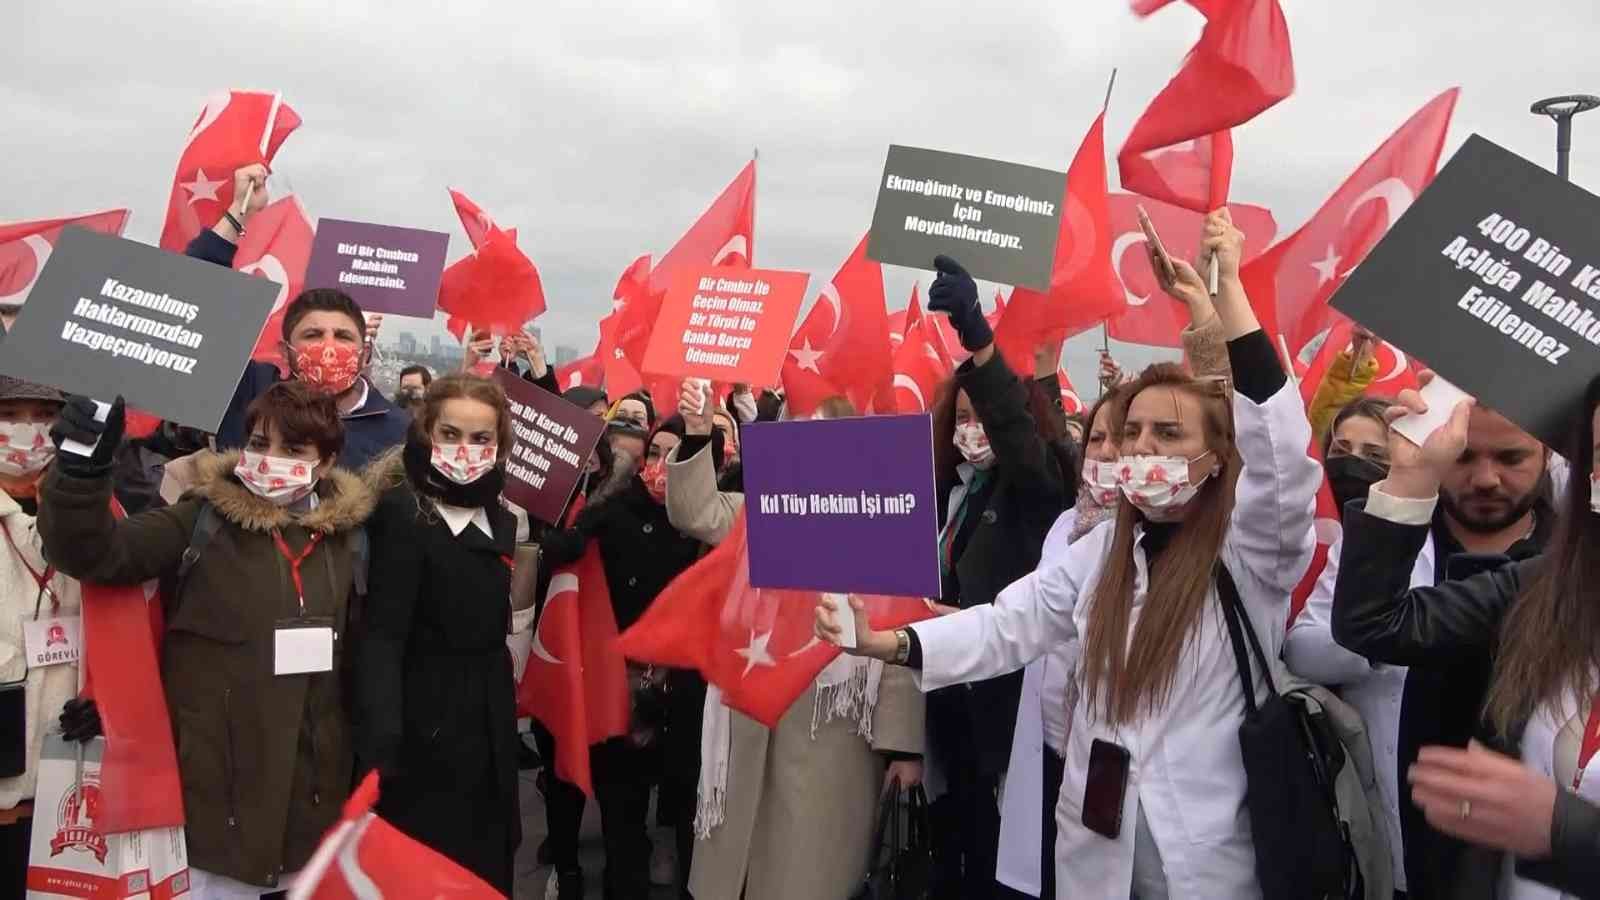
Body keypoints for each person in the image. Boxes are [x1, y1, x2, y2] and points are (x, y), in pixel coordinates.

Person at [819, 209, 1320, 897]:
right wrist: (892, 642)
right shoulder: (1105, 549)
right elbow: (1009, 623)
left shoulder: (1250, 552)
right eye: (1132, 431)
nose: (1142, 447)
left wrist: (1226, 293)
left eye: (1168, 434)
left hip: (1208, 861)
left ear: (1216, 455)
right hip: (1098, 848)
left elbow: (1281, 457)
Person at [38, 382, 375, 896]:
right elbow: (94, 554)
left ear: (326, 463)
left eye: (293, 450)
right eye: (260, 444)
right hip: (215, 792)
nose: (270, 459)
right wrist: (81, 474)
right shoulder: (202, 520)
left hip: (311, 795)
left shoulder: (350, 539)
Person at [1330, 373, 1600, 898]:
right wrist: (1412, 477)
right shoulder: (1552, 586)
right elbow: (1374, 622)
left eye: (1510, 459)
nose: (1485, 478)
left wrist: (1566, 831)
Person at [667, 383, 926, 900]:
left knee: (809, 872)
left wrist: (903, 748)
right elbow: (694, 512)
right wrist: (698, 431)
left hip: (833, 730)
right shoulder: (761, 510)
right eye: (796, 426)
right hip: (749, 714)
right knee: (739, 868)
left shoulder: (884, 517)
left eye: (823, 429)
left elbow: (901, 637)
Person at [914, 255, 1069, 899]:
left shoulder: (1034, 488)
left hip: (1004, 709)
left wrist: (980, 339)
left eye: (987, 420)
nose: (976, 431)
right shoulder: (946, 493)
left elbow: (1021, 436)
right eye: (966, 419)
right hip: (945, 701)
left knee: (996, 863)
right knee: (953, 846)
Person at [354, 373, 520, 893]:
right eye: (450, 435)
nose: (465, 450)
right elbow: (382, 637)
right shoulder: (402, 514)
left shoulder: (498, 514)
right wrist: (384, 745)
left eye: (480, 439)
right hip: (425, 733)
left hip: (488, 728)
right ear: (425, 433)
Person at [540, 415, 706, 900]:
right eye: (653, 454)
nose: (659, 466)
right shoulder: (616, 511)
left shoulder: (706, 523)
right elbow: (562, 550)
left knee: (684, 811)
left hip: (686, 687)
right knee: (623, 816)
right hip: (627, 685)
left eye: (675, 457)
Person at [186, 166, 407, 469]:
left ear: (364, 351)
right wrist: (240, 211)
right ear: (284, 351)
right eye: (313, 335)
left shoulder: (399, 432)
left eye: (343, 336)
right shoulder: (250, 392)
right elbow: (193, 301)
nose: (328, 347)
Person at [0, 377, 80, 898]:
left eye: (43, 413)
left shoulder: (96, 515)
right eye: (10, 413)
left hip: (66, 784)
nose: (28, 429)